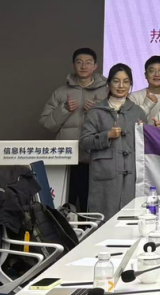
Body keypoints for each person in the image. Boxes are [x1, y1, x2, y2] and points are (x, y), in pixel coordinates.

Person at [39, 47, 109, 211]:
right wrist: (64, 109)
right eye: (79, 62)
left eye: (88, 62)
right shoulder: (61, 92)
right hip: (65, 160)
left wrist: (98, 110)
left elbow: (116, 124)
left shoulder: (106, 92)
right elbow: (46, 124)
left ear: (95, 66)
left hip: (94, 158)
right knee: (63, 205)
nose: (83, 66)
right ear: (73, 65)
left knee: (90, 207)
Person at [79, 63, 148, 220]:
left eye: (126, 81)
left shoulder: (138, 112)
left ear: (131, 84)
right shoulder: (96, 112)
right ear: (108, 83)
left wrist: (148, 131)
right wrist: (106, 136)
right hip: (105, 175)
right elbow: (84, 142)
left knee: (130, 220)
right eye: (116, 81)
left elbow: (146, 145)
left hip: (131, 173)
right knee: (103, 220)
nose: (121, 86)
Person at [129, 55, 160, 121]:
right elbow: (129, 122)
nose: (157, 74)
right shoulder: (134, 97)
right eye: (152, 71)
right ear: (146, 75)